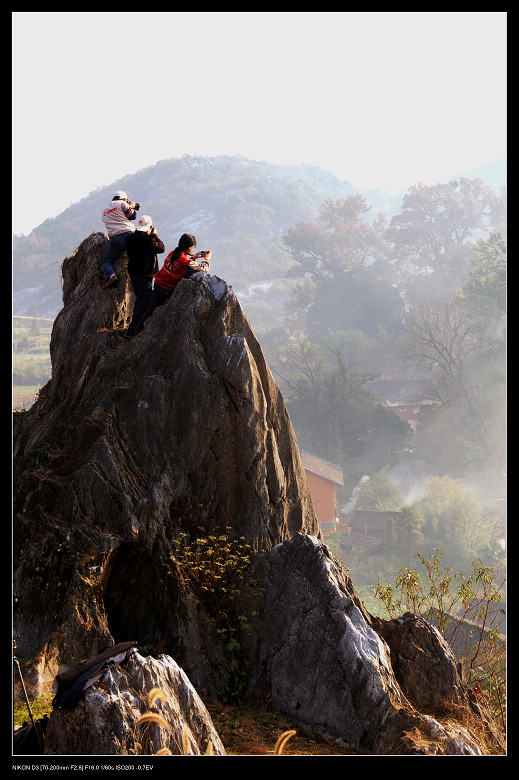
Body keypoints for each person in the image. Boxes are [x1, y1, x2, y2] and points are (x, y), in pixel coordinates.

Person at [133, 233, 211, 335]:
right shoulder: (184, 261)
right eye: (192, 247)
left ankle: (137, 330)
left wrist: (193, 258)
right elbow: (204, 268)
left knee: (150, 309)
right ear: (188, 247)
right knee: (164, 311)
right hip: (166, 289)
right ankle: (143, 332)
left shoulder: (173, 253)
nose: (192, 249)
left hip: (158, 284)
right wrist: (207, 259)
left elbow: (179, 264)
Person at [123, 215, 165, 338]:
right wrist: (154, 235)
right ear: (149, 227)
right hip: (145, 277)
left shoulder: (129, 238)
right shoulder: (149, 240)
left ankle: (134, 328)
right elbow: (161, 248)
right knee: (144, 303)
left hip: (134, 275)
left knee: (140, 302)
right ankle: (133, 331)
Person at [100, 190, 140, 287]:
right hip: (129, 235)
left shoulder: (104, 211)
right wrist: (132, 206)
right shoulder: (122, 203)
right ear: (124, 198)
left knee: (105, 262)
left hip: (116, 239)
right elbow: (133, 216)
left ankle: (111, 275)